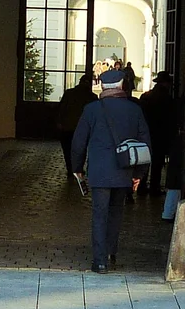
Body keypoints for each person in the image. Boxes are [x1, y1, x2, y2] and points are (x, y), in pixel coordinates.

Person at [70, 67, 152, 273]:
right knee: (116, 213)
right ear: (122, 85)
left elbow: (78, 143)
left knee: (99, 214)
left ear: (103, 87)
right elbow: (145, 144)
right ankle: (110, 252)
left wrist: (77, 168)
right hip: (124, 170)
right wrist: (139, 175)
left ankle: (99, 261)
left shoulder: (91, 110)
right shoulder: (135, 109)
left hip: (99, 171)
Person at [138, 72, 178, 196]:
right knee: (157, 163)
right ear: (166, 83)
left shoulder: (146, 96)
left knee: (144, 161)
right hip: (161, 135)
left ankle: (141, 186)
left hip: (146, 133)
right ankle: (154, 188)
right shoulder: (167, 99)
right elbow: (171, 119)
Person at [55, 73, 95, 172]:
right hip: (84, 128)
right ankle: (78, 168)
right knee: (81, 150)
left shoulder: (69, 93)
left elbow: (61, 109)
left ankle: (70, 168)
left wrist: (60, 122)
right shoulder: (92, 97)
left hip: (68, 126)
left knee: (67, 149)